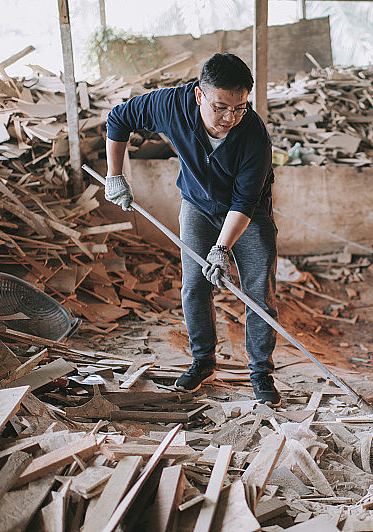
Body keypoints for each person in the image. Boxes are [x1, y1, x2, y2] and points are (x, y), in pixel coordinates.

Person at [104, 53, 280, 406]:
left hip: (249, 214)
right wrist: (114, 174)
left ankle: (260, 371)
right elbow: (118, 118)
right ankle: (203, 362)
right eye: (221, 107)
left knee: (259, 292)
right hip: (198, 206)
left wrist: (223, 248)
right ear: (200, 95)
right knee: (195, 287)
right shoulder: (170, 106)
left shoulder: (254, 136)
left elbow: (244, 203)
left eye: (240, 107)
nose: (231, 117)